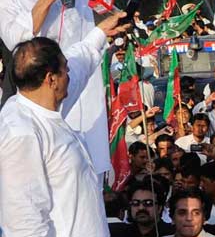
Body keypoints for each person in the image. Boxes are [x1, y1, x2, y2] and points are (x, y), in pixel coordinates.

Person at [0, 0, 130, 177]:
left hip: (87, 91)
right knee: (53, 182)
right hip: (46, 101)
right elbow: (16, 40)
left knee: (90, 181)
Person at [0, 12, 127, 236]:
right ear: (51, 79)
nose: (69, 73)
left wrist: (100, 33)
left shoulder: (45, 104)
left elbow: (79, 62)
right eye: (64, 69)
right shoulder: (21, 132)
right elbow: (24, 223)